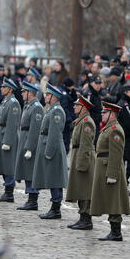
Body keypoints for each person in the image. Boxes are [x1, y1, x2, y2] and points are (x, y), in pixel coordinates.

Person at [90, 102, 130, 241]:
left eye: (104, 112)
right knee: (109, 199)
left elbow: (116, 153)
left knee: (113, 200)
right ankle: (114, 231)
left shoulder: (115, 129)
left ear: (112, 114)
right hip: (104, 166)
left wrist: (112, 174)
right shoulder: (109, 128)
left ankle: (116, 232)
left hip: (110, 168)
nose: (102, 114)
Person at [34, 84, 69, 220]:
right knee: (52, 177)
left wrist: (49, 151)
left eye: (48, 95)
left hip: (53, 147)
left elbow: (54, 133)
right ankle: (54, 207)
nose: (46, 96)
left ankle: (56, 209)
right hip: (48, 144)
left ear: (54, 97)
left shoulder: (57, 111)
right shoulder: (51, 109)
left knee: (55, 179)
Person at [65, 95, 97, 230]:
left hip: (84, 157)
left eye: (77, 105)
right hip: (78, 155)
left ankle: (86, 219)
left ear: (83, 108)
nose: (74, 107)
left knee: (85, 189)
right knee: (80, 188)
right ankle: (82, 218)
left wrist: (82, 164)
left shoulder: (87, 122)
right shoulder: (81, 120)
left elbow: (85, 144)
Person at [0, 78, 21, 202]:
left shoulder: (13, 102)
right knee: (2, 163)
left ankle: (9, 192)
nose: (1, 88)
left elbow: (12, 124)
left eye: (4, 87)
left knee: (8, 164)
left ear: (10, 89)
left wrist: (7, 141)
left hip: (8, 136)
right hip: (1, 133)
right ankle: (7, 191)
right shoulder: (5, 101)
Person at [15, 81, 44, 210]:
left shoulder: (37, 107)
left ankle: (33, 199)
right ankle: (30, 198)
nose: (22, 94)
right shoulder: (29, 105)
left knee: (30, 170)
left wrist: (30, 148)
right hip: (24, 137)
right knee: (26, 169)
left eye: (24, 92)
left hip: (30, 140)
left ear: (31, 93)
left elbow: (35, 129)